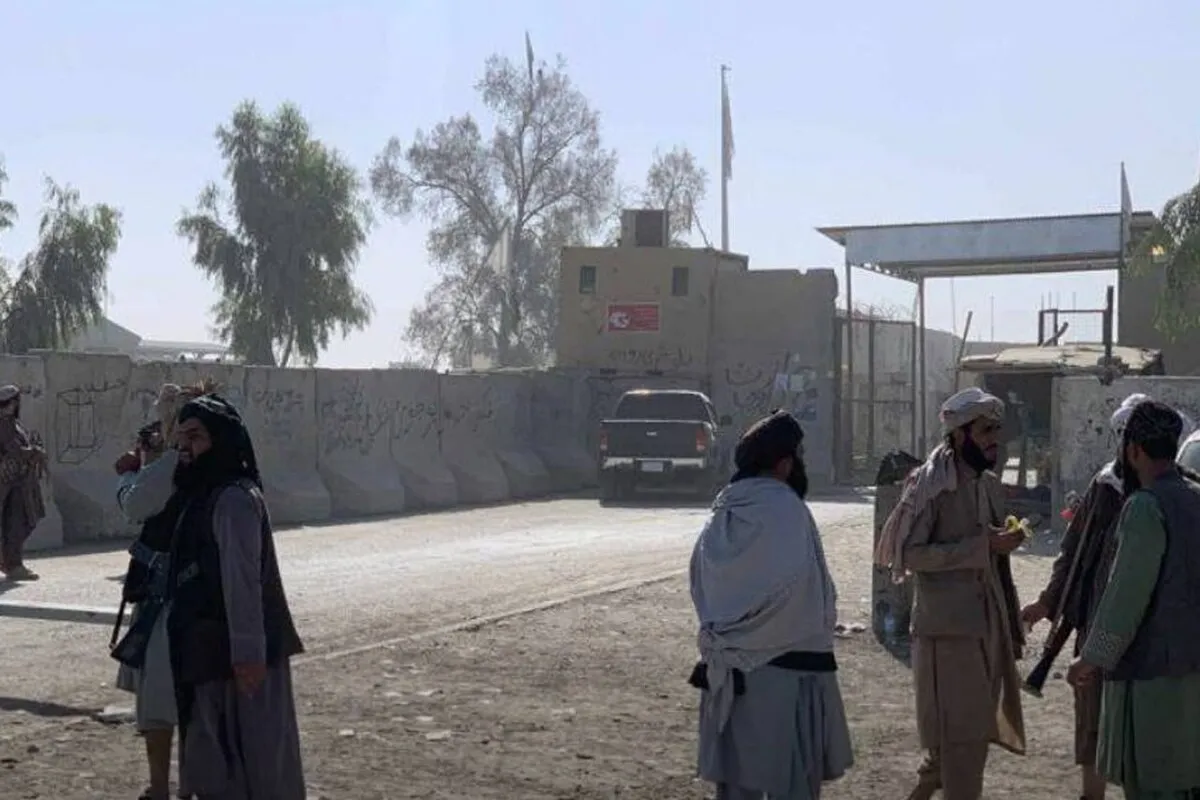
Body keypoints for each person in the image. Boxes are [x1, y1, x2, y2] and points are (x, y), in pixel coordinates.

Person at [689, 410, 853, 799]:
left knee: (738, 784)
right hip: (788, 680)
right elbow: (810, 593)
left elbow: (703, 588)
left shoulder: (722, 512)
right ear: (784, 464)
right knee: (792, 781)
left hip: (733, 680)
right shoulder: (787, 509)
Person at [874, 387, 1026, 800]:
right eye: (985, 431)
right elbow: (910, 554)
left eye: (996, 430)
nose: (994, 440)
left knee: (955, 749)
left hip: (985, 628)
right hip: (948, 636)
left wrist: (1011, 624)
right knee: (962, 748)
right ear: (959, 435)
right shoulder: (931, 485)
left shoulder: (987, 485)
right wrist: (980, 546)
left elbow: (994, 560)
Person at [166, 393, 306, 799]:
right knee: (215, 759)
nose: (186, 448)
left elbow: (242, 579)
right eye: (181, 439)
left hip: (239, 658)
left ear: (221, 440)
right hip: (206, 651)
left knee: (257, 758)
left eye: (195, 437)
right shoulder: (201, 494)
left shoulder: (233, 499)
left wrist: (247, 653)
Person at [1067, 400, 1200, 799]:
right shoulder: (1195, 497)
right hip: (1193, 671)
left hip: (1154, 681)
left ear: (1133, 450)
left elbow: (1126, 597)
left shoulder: (1145, 506)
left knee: (1154, 784)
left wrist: (1090, 658)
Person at [1021, 392, 1150, 800]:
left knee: (1144, 733)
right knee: (1092, 724)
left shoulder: (1170, 494)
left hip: (1150, 632)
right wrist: (1047, 602)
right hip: (1097, 624)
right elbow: (1074, 553)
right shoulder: (1105, 486)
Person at [112, 383, 192, 800]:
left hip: (166, 595)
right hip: (196, 592)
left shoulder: (173, 465)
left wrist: (130, 474)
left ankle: (161, 786)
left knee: (159, 699)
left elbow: (134, 505)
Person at [0, 384, 49, 581]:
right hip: (12, 482)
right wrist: (34, 453)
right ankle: (13, 564)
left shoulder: (11, 422)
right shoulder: (4, 423)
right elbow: (13, 450)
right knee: (18, 522)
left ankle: (9, 561)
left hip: (17, 481)